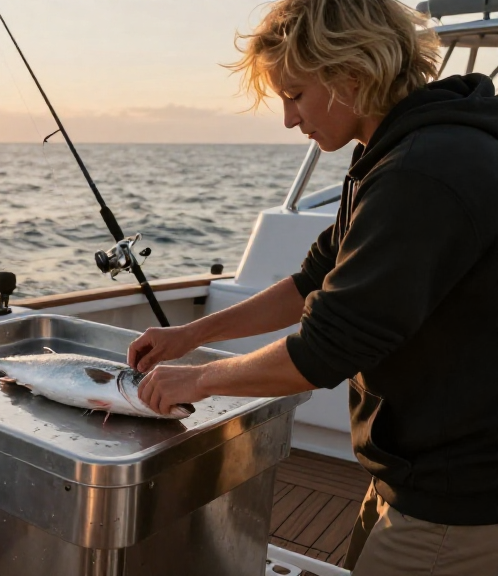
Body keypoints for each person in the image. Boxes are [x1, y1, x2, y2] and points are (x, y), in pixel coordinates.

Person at [127, 0, 498, 573]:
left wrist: (198, 379)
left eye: (295, 94)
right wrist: (190, 335)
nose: (289, 119)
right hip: (415, 470)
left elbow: (322, 352)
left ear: (352, 71)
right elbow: (311, 281)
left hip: (459, 495)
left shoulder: (422, 171)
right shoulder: (397, 152)